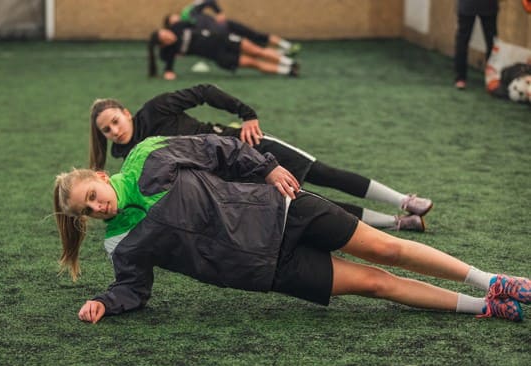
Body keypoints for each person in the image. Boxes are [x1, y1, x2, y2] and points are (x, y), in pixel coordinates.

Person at [53, 135, 530, 324]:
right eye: (88, 212)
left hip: (279, 211)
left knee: (387, 248)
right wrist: (107, 301)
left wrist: (266, 168)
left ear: (98, 177)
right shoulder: (121, 242)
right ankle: (484, 306)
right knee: (374, 283)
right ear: (86, 221)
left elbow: (219, 149)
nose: (99, 206)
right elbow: (133, 286)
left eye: (93, 196)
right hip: (264, 267)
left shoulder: (147, 156)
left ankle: (491, 280)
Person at [88, 84, 433, 232]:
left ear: (126, 113)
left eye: (115, 121)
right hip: (233, 180)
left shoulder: (156, 108)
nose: (114, 130)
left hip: (246, 143)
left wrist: (247, 114)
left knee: (322, 173)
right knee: (310, 201)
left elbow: (204, 92)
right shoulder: (131, 159)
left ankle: (405, 200)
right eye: (106, 130)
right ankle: (398, 223)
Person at [148, 16, 299, 80]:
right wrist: (168, 74)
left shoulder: (178, 26)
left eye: (166, 32)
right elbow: (169, 68)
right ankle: (288, 71)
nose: (168, 35)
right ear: (163, 44)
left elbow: (199, 22)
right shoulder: (169, 51)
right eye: (164, 38)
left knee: (257, 50)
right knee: (254, 63)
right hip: (218, 56)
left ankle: (289, 62)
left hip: (223, 39)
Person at [165, 0, 300, 56]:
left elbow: (208, 1)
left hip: (225, 25)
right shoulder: (182, 32)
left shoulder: (187, 12)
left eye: (174, 18)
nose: (175, 21)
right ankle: (280, 54)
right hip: (220, 37)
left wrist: (219, 13)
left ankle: (287, 45)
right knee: (251, 48)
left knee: (256, 35)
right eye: (172, 23)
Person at [454, 0, 498, 89]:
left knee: (463, 40)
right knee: (491, 41)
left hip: (471, 5)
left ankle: (460, 78)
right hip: (486, 5)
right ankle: (492, 79)